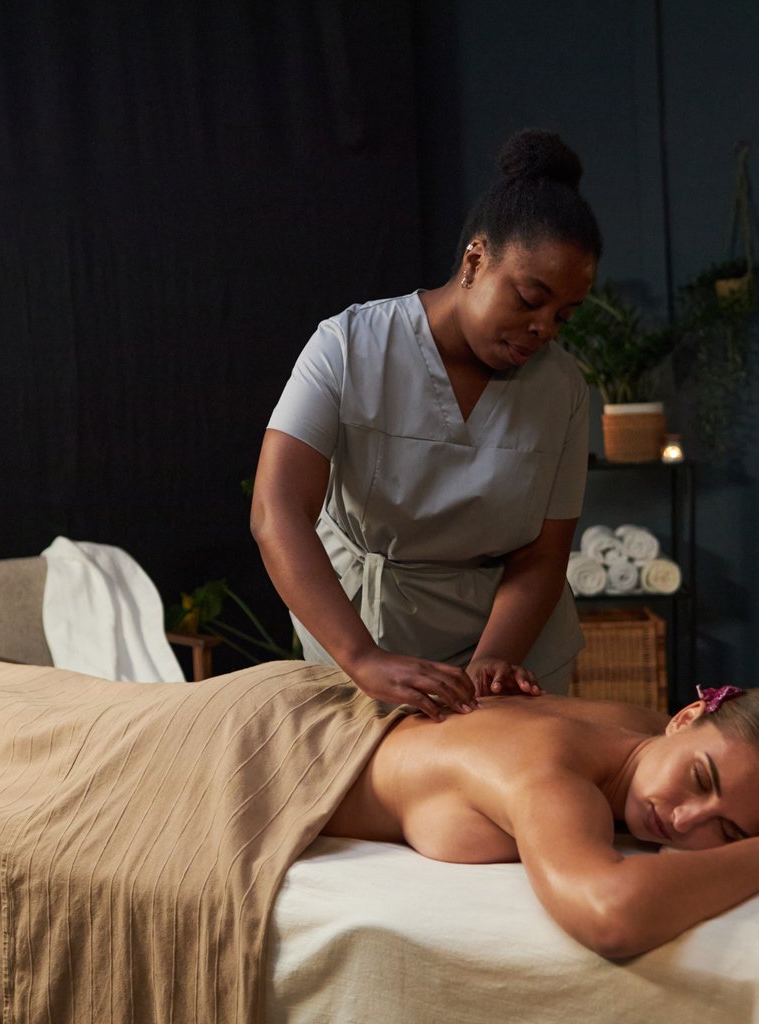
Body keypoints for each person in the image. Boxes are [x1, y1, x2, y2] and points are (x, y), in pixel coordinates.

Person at [251, 129, 602, 718]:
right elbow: (276, 511)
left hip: (511, 647)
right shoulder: (348, 346)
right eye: (528, 298)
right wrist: (362, 656)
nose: (544, 328)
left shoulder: (562, 388)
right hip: (366, 637)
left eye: (563, 315)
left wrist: (494, 660)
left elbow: (543, 556)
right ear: (475, 261)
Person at [321, 684, 759, 958]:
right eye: (700, 779)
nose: (684, 820)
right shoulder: (550, 772)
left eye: (727, 831)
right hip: (287, 741)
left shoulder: (648, 739)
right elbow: (611, 915)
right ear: (686, 717)